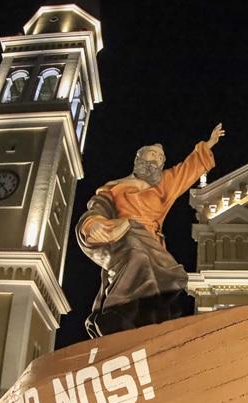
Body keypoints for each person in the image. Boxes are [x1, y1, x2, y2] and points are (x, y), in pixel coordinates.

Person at [77, 123, 225, 337]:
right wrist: (94, 224)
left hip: (152, 242)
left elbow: (186, 171)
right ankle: (115, 315)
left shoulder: (163, 185)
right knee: (137, 257)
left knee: (172, 283)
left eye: (159, 157)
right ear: (139, 159)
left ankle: (150, 327)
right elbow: (96, 209)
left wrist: (208, 145)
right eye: (151, 154)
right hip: (122, 236)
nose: (155, 159)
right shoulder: (114, 187)